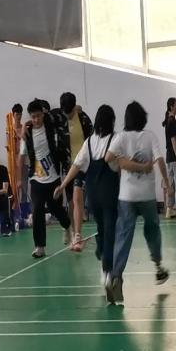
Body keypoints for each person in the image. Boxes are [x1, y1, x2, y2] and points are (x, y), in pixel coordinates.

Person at [104, 101, 170, 305]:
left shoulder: (121, 137)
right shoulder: (150, 136)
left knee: (123, 236)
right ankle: (158, 267)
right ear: (143, 118)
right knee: (152, 230)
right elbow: (160, 160)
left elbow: (107, 158)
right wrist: (167, 183)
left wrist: (122, 162)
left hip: (126, 196)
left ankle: (116, 276)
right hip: (147, 195)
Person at [54, 105, 119, 288]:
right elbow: (121, 166)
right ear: (112, 121)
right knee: (110, 232)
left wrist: (63, 185)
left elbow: (76, 165)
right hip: (110, 194)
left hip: (93, 196)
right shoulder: (116, 139)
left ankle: (102, 254)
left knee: (102, 228)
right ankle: (107, 271)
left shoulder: (89, 142)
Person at [19, 99, 72, 258]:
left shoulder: (51, 126)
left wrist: (25, 123)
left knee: (56, 209)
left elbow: (63, 112)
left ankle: (67, 226)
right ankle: (39, 246)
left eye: (38, 116)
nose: (36, 120)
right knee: (37, 210)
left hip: (53, 178)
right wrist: (19, 179)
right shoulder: (27, 134)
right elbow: (21, 156)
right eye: (33, 117)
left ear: (43, 114)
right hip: (36, 179)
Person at [52, 92, 93, 251]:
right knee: (71, 201)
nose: (68, 116)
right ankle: (71, 229)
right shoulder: (58, 117)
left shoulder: (84, 119)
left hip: (84, 164)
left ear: (75, 107)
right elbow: (44, 114)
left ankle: (77, 235)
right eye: (65, 112)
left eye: (70, 112)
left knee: (77, 199)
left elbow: (93, 139)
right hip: (68, 166)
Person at [11, 103, 29, 206]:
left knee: (24, 187)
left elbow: (27, 145)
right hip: (14, 162)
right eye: (17, 114)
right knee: (15, 187)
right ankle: (15, 208)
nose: (19, 116)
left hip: (24, 161)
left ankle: (24, 208)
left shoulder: (24, 128)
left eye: (20, 114)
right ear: (13, 115)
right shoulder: (10, 130)